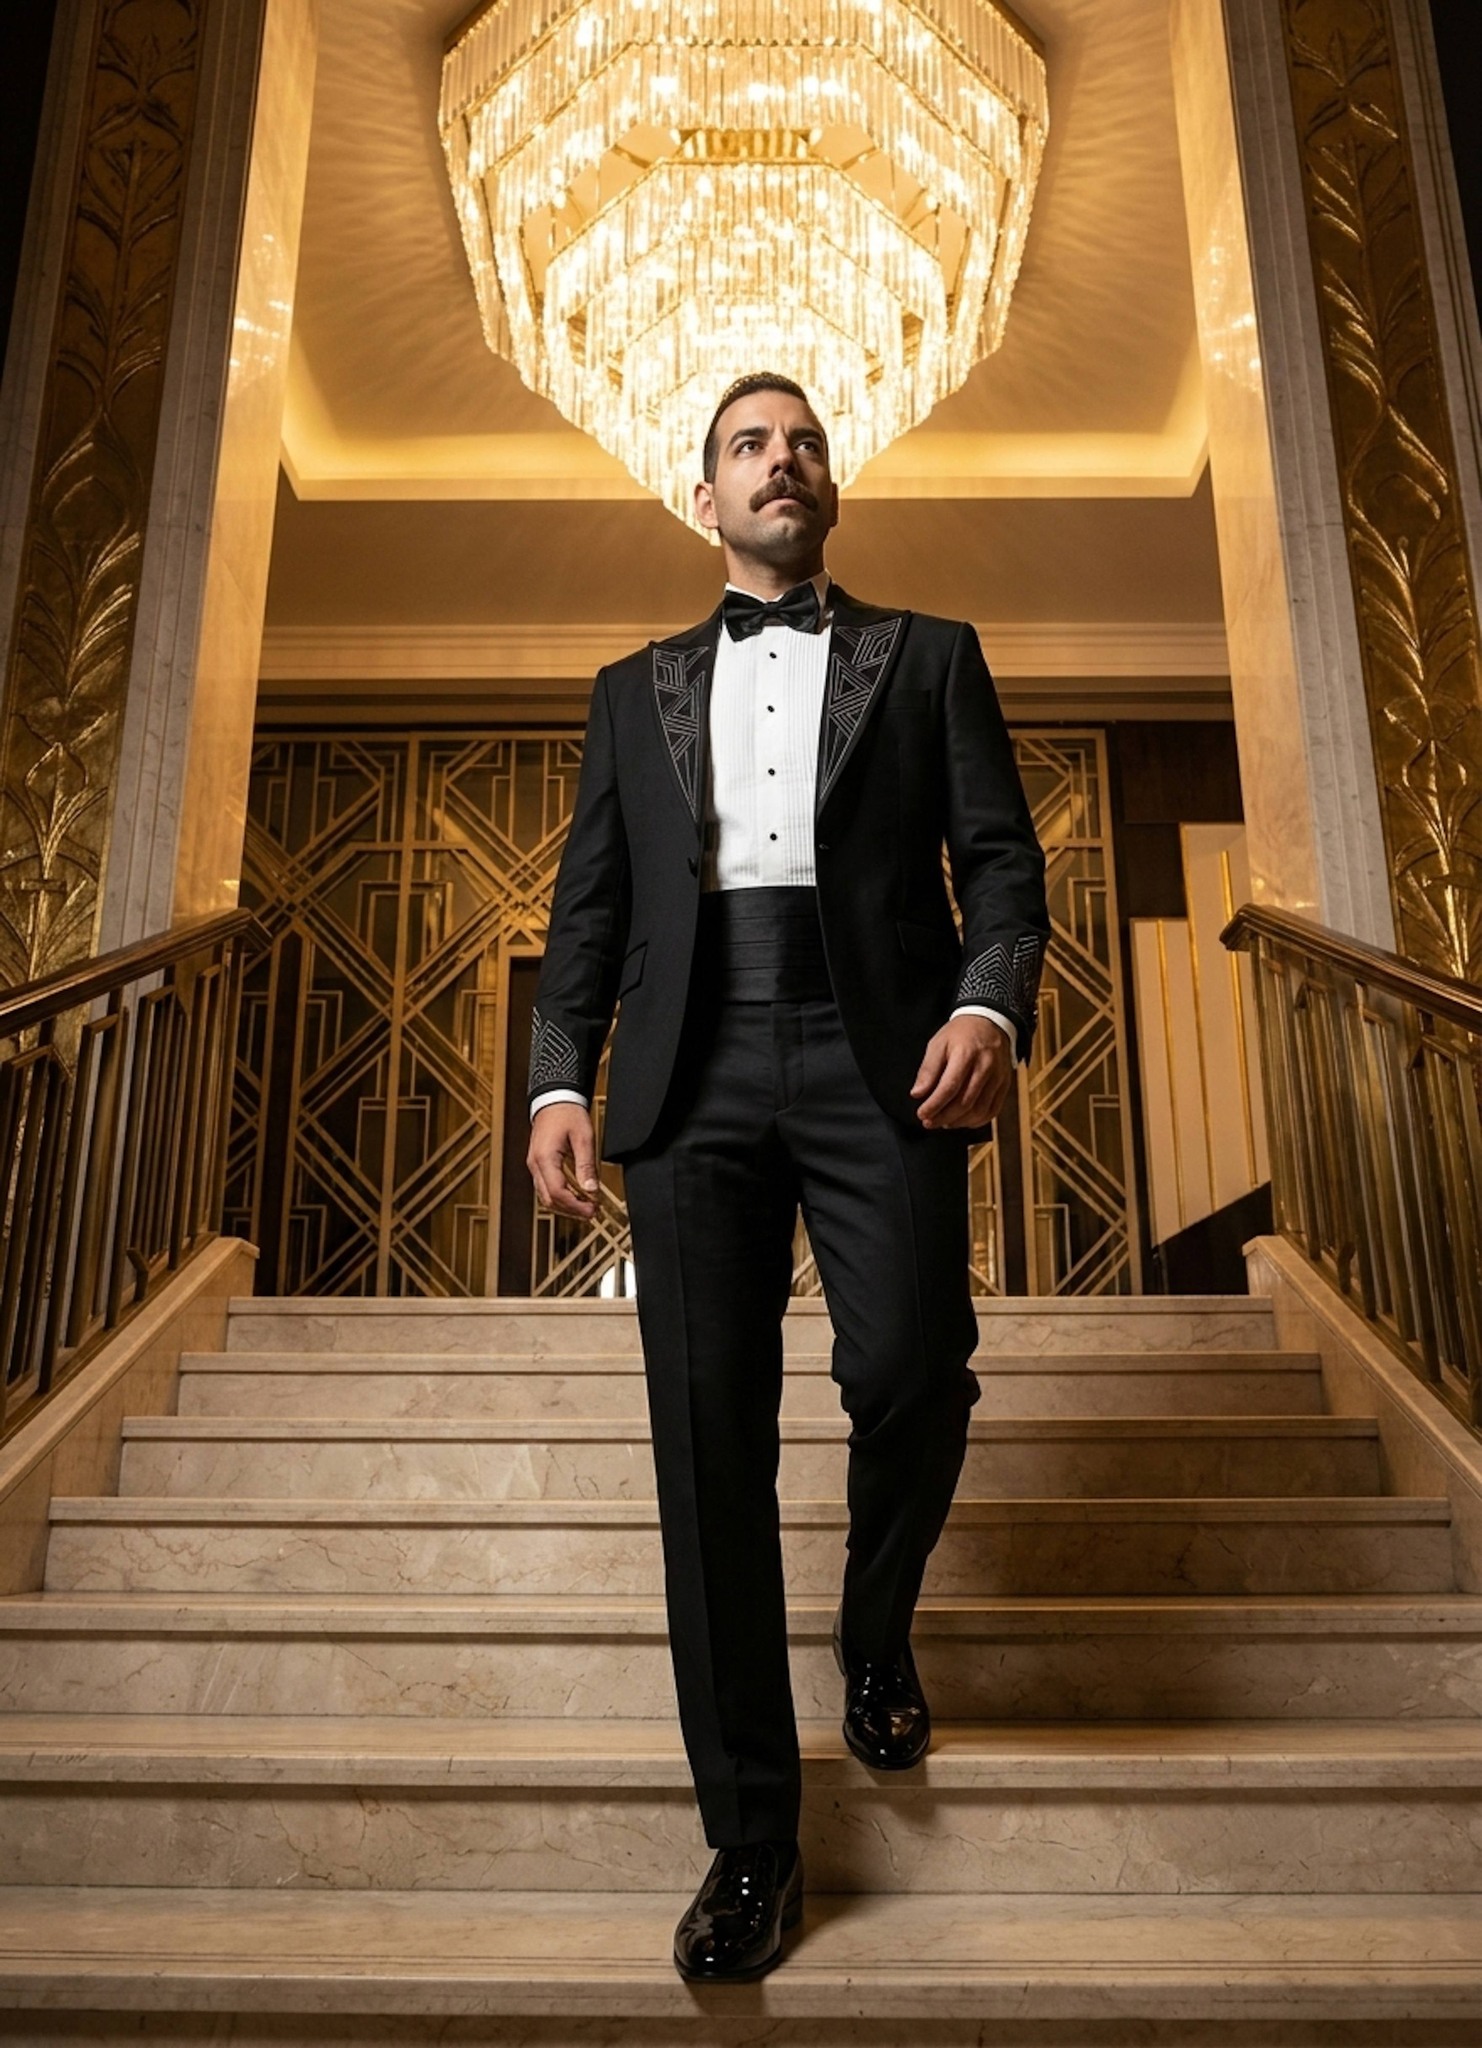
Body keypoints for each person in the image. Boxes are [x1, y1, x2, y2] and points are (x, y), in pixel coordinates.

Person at [525, 372, 1049, 1983]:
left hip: (879, 1049)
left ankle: (872, 1626)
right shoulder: (630, 691)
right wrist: (558, 1076)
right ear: (705, 498)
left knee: (911, 1368)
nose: (783, 460)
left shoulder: (931, 655)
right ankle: (751, 1835)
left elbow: (1001, 861)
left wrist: (986, 1004)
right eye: (751, 445)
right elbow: (589, 907)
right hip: (686, 1074)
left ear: (830, 488)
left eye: (805, 442)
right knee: (708, 1452)